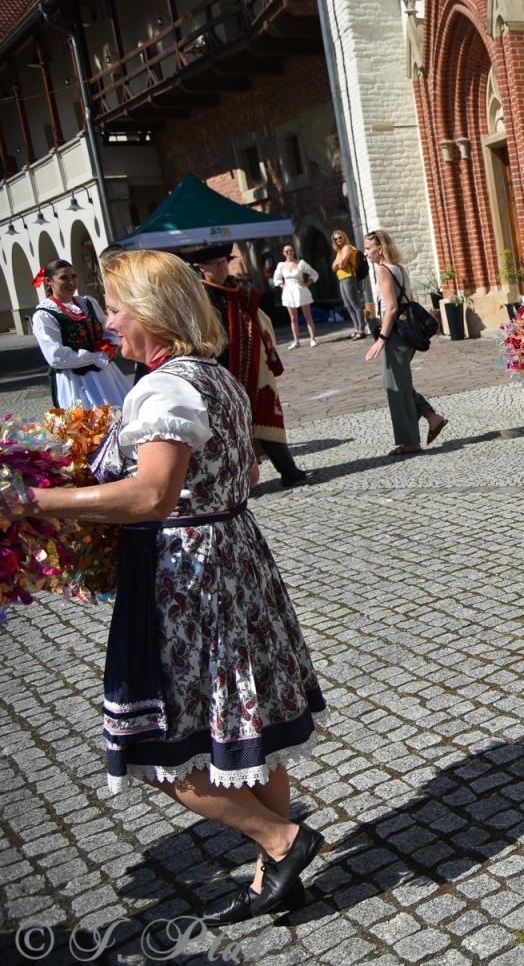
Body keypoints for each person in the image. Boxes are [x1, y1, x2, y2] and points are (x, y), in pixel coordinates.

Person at [2, 249, 326, 925]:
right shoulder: (215, 376)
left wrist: (32, 502)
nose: (109, 322)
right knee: (253, 728)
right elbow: (244, 474)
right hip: (234, 558)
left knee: (154, 747)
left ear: (152, 313)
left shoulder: (164, 390)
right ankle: (274, 874)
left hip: (187, 578)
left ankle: (281, 839)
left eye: (118, 309)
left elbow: (152, 495)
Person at [184, 245, 312, 488]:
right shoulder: (199, 297)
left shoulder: (236, 290)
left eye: (224, 262)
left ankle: (289, 471)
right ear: (201, 268)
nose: (222, 268)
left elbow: (256, 318)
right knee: (231, 428)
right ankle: (239, 481)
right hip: (220, 368)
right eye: (215, 264)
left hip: (250, 364)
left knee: (265, 414)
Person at [363, 230, 448, 455]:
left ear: (380, 248)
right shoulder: (398, 268)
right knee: (394, 382)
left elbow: (391, 308)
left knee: (395, 387)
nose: (365, 253)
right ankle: (431, 416)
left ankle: (410, 442)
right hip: (406, 333)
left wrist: (381, 339)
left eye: (368, 248)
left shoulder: (383, 269)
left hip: (396, 335)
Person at [30, 258, 130, 408]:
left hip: (107, 375)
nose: (71, 282)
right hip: (76, 381)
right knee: (88, 418)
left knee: (122, 410)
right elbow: (56, 356)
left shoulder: (88, 303)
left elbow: (108, 330)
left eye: (73, 276)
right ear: (49, 281)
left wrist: (111, 345)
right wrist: (96, 356)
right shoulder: (45, 315)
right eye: (64, 278)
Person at [270, 242, 319, 348]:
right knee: (293, 318)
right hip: (289, 292)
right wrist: (282, 285)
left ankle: (312, 339)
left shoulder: (301, 263)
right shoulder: (281, 265)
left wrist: (308, 283)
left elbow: (314, 274)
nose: (289, 253)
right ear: (283, 253)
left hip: (301, 290)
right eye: (286, 251)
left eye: (291, 250)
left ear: (293, 252)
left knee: (307, 316)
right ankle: (296, 341)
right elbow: (276, 278)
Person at [331, 229, 367, 340]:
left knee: (355, 304)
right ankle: (356, 328)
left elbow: (342, 264)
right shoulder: (339, 251)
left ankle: (361, 330)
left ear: (344, 237)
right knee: (348, 305)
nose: (338, 240)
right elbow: (333, 268)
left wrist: (338, 264)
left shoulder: (347, 247)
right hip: (341, 279)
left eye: (340, 237)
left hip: (349, 277)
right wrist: (338, 264)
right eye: (335, 239)